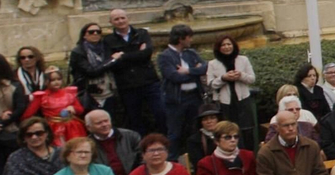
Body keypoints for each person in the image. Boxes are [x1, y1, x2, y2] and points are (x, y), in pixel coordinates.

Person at [106, 9, 164, 135]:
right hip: (127, 85)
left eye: (122, 18)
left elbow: (146, 54)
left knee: (161, 113)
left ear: (128, 19)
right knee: (134, 118)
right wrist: (137, 53)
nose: (120, 21)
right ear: (111, 22)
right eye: (116, 19)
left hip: (149, 82)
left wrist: (122, 56)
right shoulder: (108, 40)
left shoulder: (141, 34)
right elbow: (112, 63)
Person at [256, 109, 329, 175]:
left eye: (293, 124)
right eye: (286, 125)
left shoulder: (311, 146)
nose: (291, 128)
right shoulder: (266, 152)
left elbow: (320, 174)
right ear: (277, 127)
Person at [156, 24, 208, 157]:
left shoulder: (191, 53)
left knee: (195, 130)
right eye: (189, 37)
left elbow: (206, 67)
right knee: (175, 133)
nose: (191, 40)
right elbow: (174, 76)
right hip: (176, 100)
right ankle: (172, 160)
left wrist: (188, 71)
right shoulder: (165, 56)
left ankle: (196, 158)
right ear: (181, 39)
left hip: (195, 97)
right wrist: (196, 72)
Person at [205, 37, 258, 151]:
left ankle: (249, 156)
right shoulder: (213, 64)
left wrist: (241, 75)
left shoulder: (243, 60)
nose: (226, 47)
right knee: (228, 130)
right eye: (223, 45)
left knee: (247, 131)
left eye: (229, 44)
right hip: (225, 103)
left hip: (243, 100)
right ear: (219, 48)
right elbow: (210, 84)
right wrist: (223, 78)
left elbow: (252, 79)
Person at [22, 67, 86, 146]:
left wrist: (73, 108)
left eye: (58, 79)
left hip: (72, 126)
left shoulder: (69, 93)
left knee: (76, 146)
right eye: (52, 80)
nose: (56, 82)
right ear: (46, 81)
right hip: (53, 128)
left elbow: (81, 109)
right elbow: (28, 114)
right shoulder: (42, 96)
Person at [68, 23, 119, 119]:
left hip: (108, 91)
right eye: (91, 32)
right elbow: (91, 72)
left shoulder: (106, 48)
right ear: (84, 35)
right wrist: (111, 60)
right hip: (89, 93)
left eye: (98, 32)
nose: (95, 33)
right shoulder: (78, 51)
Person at [124, 133, 194, 175]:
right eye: (151, 150)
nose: (156, 154)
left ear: (167, 152)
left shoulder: (179, 171)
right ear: (143, 155)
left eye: (160, 149)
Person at [83, 108, 140, 175]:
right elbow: (86, 169)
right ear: (89, 127)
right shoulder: (86, 145)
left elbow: (143, 158)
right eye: (99, 123)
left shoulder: (131, 136)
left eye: (106, 121)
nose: (104, 125)